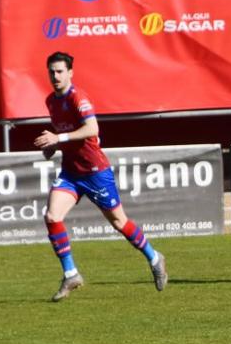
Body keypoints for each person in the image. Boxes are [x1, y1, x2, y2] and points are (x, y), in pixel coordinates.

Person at [33, 52, 167, 301]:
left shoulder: (78, 97)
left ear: (71, 73)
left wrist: (58, 138)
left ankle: (154, 256)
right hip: (71, 172)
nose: (55, 76)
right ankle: (71, 273)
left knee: (119, 222)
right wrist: (54, 146)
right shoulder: (51, 100)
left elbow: (92, 128)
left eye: (60, 71)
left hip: (95, 171)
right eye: (51, 72)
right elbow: (69, 134)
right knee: (52, 216)